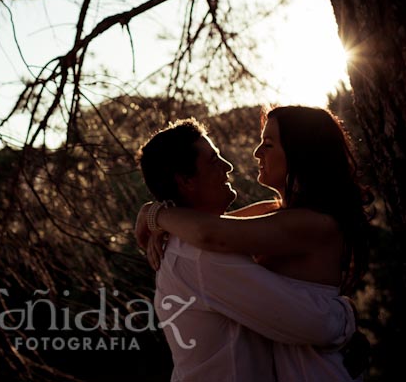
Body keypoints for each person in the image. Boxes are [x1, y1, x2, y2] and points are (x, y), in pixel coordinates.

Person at [136, 107, 373, 380]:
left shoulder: (309, 222)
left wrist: (157, 214)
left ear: (301, 153)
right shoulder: (271, 213)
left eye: (268, 144)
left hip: (312, 370)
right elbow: (217, 226)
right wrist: (158, 217)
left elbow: (213, 232)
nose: (256, 153)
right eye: (214, 160)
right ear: (186, 180)